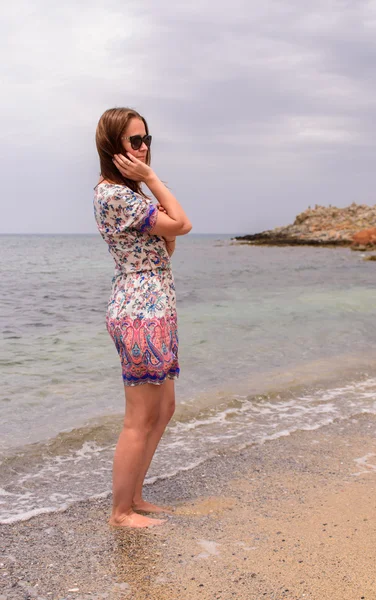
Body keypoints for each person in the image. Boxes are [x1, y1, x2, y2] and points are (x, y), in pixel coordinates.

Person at [93, 107, 192, 528]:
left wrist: (150, 189)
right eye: (135, 141)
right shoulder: (115, 195)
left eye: (147, 139)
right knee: (139, 417)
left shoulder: (131, 196)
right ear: (114, 147)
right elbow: (182, 225)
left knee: (164, 408)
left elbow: (167, 243)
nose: (144, 147)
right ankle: (120, 512)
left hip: (154, 304)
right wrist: (153, 180)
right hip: (139, 309)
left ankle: (134, 497)